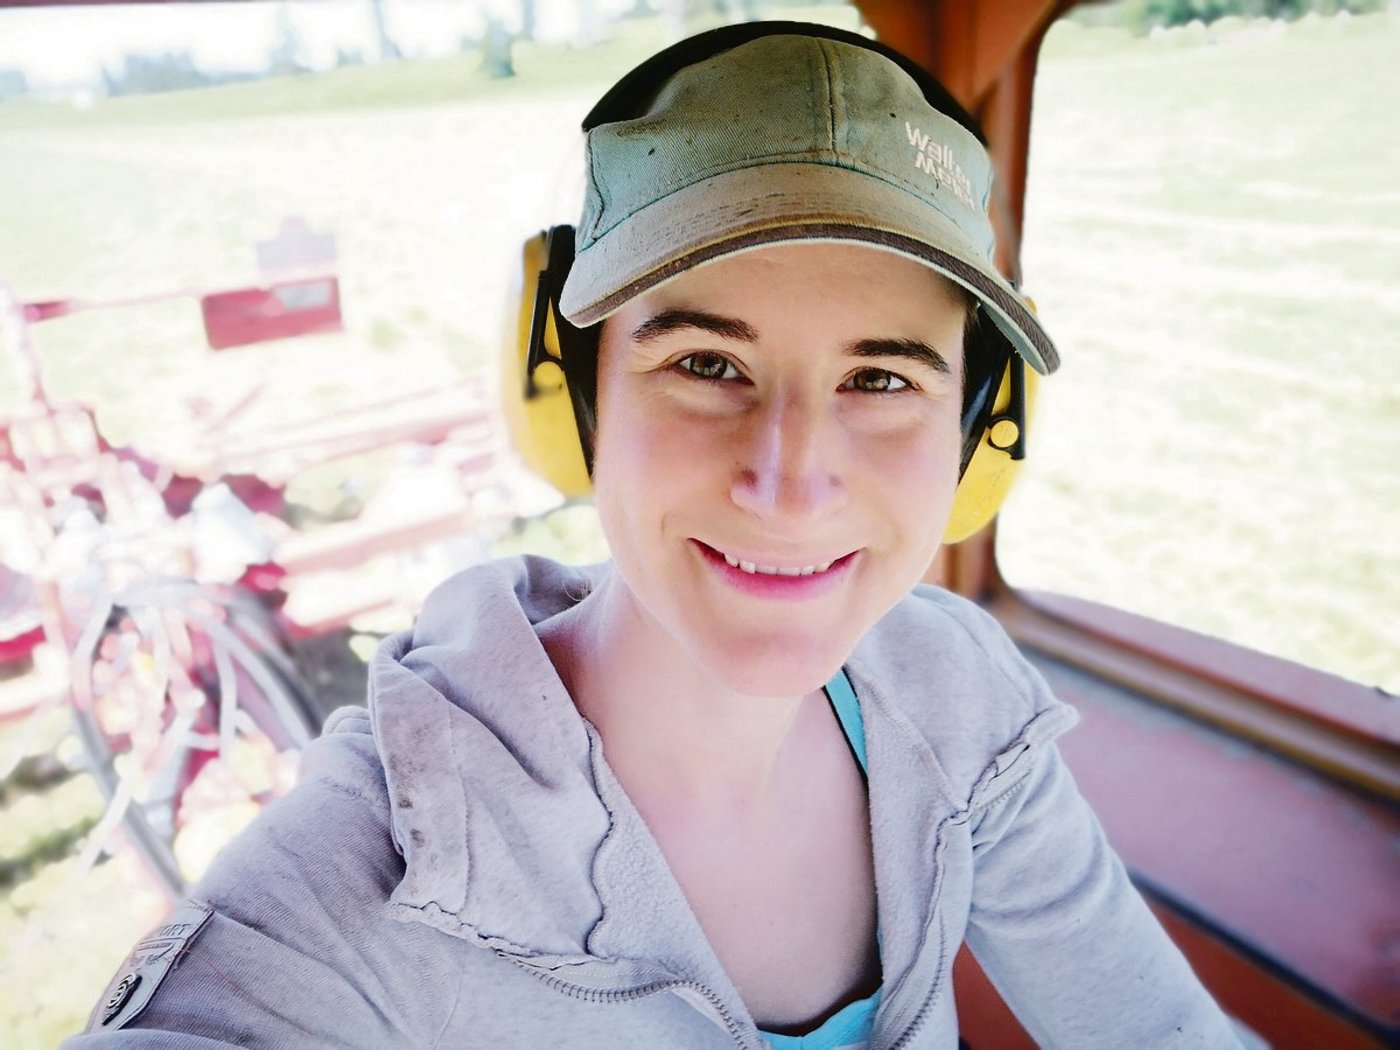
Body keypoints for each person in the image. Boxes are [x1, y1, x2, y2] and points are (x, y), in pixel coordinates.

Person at [68, 22, 1243, 1049]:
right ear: (570, 403)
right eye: (704, 364)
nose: (789, 485)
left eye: (881, 378)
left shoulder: (956, 694)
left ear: (978, 437)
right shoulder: (362, 878)